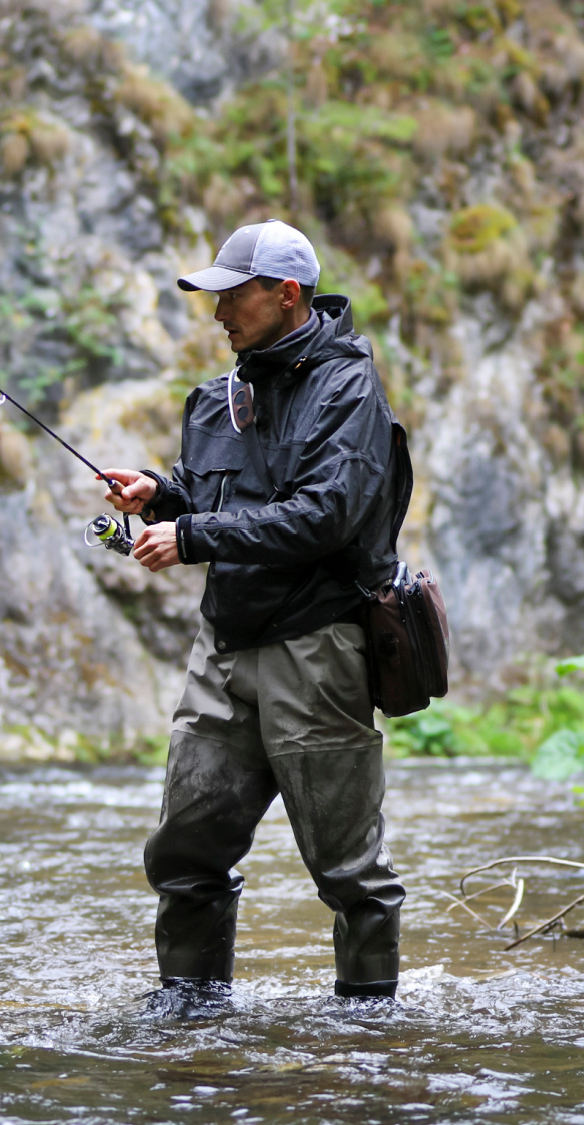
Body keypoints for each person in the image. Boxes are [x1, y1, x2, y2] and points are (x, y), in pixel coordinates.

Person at [99, 219, 410, 1016]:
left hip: (317, 651)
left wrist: (194, 533)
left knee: (350, 873)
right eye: (215, 296)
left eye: (233, 295)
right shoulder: (216, 398)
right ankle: (191, 1016)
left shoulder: (348, 391)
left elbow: (324, 515)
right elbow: (215, 492)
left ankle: (370, 1033)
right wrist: (162, 496)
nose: (218, 313)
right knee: (184, 851)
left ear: (287, 293)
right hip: (224, 649)